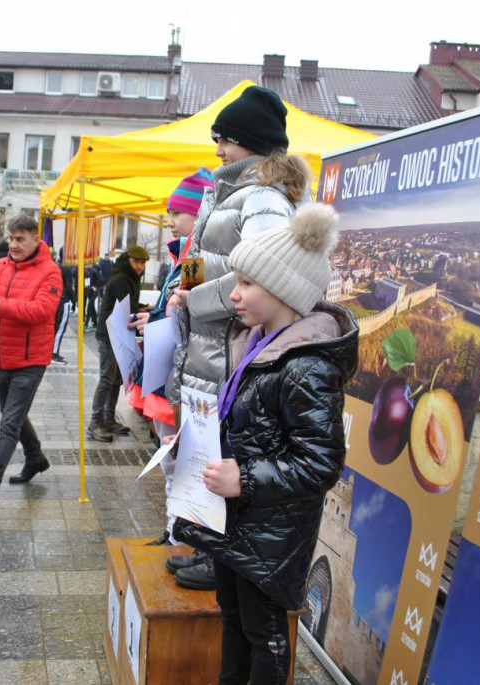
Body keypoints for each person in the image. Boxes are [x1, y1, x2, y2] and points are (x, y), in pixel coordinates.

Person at [173, 204, 358, 685]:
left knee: (265, 635)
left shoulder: (306, 366)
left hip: (272, 534)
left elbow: (320, 463)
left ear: (283, 289)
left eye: (246, 283)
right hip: (239, 524)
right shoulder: (256, 340)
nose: (233, 295)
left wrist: (246, 477)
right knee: (232, 619)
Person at [166, 85, 310, 591]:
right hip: (214, 344)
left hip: (231, 346)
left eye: (225, 139)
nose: (219, 150)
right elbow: (223, 262)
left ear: (251, 142)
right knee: (211, 452)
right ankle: (207, 547)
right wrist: (188, 283)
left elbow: (260, 272)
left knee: (227, 452)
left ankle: (218, 558)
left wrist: (197, 296)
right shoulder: (234, 191)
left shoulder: (264, 197)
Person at [126, 169, 213, 544]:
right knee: (169, 455)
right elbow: (175, 308)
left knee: (178, 457)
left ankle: (179, 533)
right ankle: (172, 527)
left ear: (196, 214)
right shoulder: (182, 257)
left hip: (181, 374)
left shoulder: (197, 256)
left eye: (177, 212)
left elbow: (191, 309)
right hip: (169, 369)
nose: (170, 220)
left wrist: (160, 319)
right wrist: (154, 316)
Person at [0, 214, 63, 511]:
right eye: (10, 238)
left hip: (30, 359)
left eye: (20, 239)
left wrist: (1, 306)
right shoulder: (0, 266)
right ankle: (35, 458)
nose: (13, 244)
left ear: (36, 239)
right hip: (1, 356)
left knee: (8, 423)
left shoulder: (50, 272)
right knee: (15, 416)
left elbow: (42, 310)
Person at [86, 245, 149, 442]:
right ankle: (95, 422)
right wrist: (144, 312)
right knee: (107, 379)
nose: (139, 266)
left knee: (115, 380)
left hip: (119, 334)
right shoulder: (122, 279)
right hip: (110, 335)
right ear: (128, 260)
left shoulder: (129, 278)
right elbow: (127, 308)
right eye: (136, 261)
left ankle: (109, 419)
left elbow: (129, 305)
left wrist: (145, 308)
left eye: (142, 262)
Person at [52, 248, 77, 365]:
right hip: (63, 300)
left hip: (55, 299)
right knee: (60, 328)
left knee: (54, 327)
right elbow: (69, 287)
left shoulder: (55, 265)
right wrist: (74, 301)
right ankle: (54, 353)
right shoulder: (66, 269)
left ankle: (52, 351)